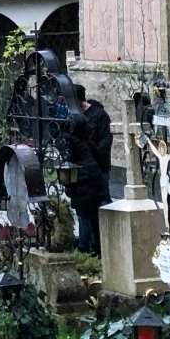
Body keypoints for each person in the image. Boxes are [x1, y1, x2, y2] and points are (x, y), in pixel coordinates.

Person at [66, 84, 106, 257]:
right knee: (92, 215)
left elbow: (103, 145)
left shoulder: (74, 137)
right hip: (92, 173)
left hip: (86, 177)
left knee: (85, 216)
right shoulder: (84, 140)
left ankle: (85, 251)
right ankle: (97, 250)